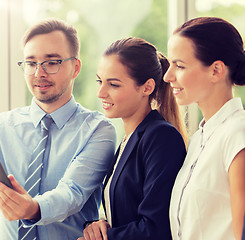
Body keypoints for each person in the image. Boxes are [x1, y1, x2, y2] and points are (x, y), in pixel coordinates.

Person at [0, 19, 116, 240]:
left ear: (76, 68)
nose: (38, 73)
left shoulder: (99, 130)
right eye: (31, 63)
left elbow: (72, 194)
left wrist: (32, 209)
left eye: (52, 62)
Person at [78, 37, 187, 240]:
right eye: (99, 81)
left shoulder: (161, 137)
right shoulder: (129, 140)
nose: (101, 92)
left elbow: (157, 228)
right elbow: (128, 213)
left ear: (147, 87)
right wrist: (100, 226)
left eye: (114, 84)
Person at [164, 17, 245, 240]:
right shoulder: (199, 138)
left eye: (179, 66)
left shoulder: (238, 135)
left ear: (216, 71)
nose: (167, 76)